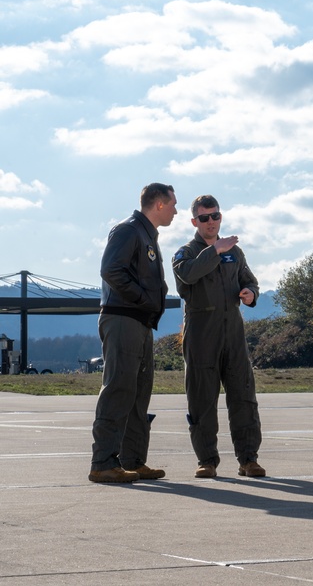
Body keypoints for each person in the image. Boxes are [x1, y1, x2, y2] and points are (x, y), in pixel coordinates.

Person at [90, 183, 177, 483]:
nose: (177, 211)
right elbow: (111, 270)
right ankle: (103, 462)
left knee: (139, 392)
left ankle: (133, 460)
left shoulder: (147, 235)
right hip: (123, 318)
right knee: (119, 389)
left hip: (140, 322)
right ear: (159, 204)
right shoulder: (128, 231)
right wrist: (143, 298)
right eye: (173, 204)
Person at [172, 195, 265, 478]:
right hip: (202, 331)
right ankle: (207, 460)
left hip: (233, 331)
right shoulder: (185, 253)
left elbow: (249, 280)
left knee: (243, 396)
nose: (211, 222)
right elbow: (187, 276)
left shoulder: (234, 252)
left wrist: (251, 294)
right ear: (194, 222)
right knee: (202, 399)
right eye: (204, 218)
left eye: (215, 216)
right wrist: (213, 252)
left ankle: (248, 459)